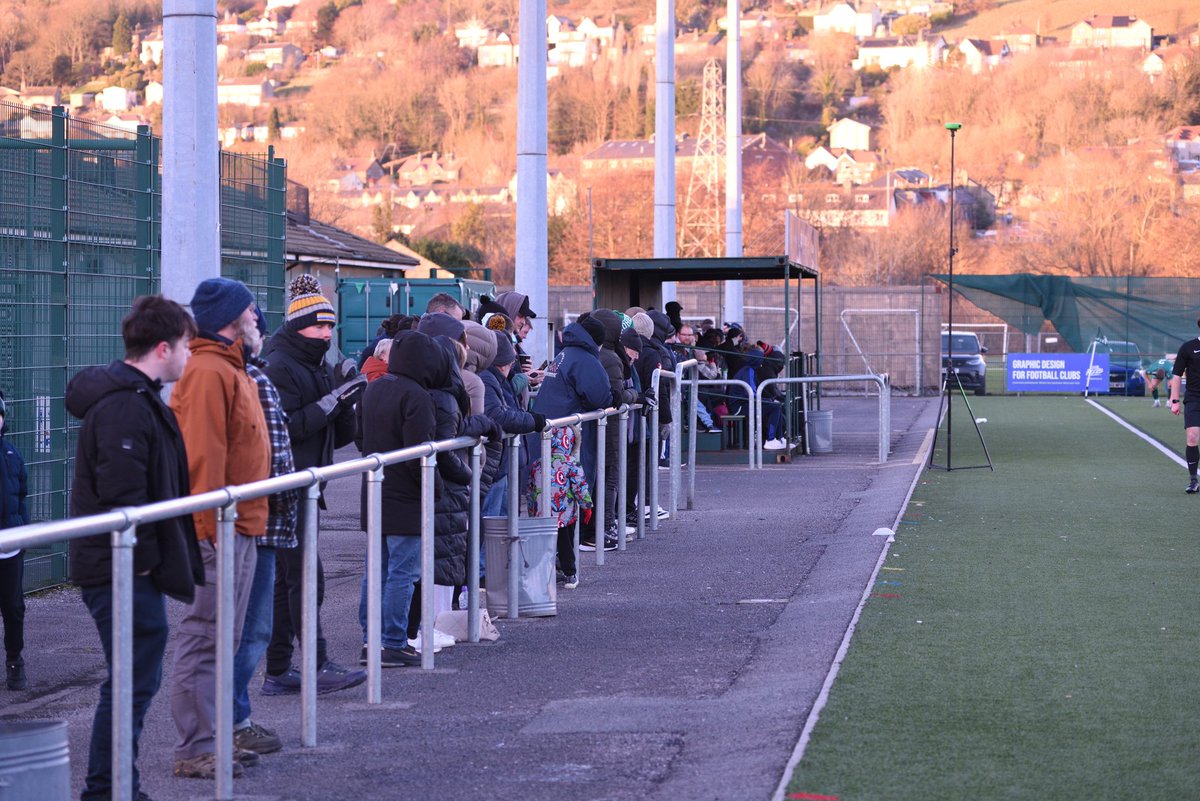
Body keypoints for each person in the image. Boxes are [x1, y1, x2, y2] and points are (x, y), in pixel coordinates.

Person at [67, 295, 204, 798]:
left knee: (133, 681)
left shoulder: (137, 396)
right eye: (187, 346)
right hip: (119, 569)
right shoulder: (127, 404)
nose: (190, 356)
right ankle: (107, 788)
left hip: (126, 567)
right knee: (130, 682)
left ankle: (116, 784)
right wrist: (143, 566)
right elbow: (122, 496)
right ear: (163, 347)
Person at [169, 277, 271, 779]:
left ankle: (214, 737)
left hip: (243, 523)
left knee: (222, 637)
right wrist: (208, 528)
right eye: (250, 311)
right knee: (204, 635)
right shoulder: (211, 371)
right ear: (232, 319)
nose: (257, 319)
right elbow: (203, 456)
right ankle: (195, 746)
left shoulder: (233, 369)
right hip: (221, 529)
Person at [261, 275, 367, 696]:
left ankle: (279, 669)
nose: (327, 333)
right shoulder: (279, 365)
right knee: (306, 577)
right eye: (319, 326)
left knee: (293, 579)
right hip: (284, 486)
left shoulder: (315, 365)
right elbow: (284, 429)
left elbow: (332, 436)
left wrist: (346, 398)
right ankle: (312, 664)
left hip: (308, 485)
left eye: (330, 327)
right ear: (298, 325)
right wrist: (331, 402)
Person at [231, 307, 300, 758]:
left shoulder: (255, 376)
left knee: (255, 629)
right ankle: (231, 722)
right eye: (252, 322)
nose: (260, 329)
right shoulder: (239, 379)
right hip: (248, 520)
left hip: (269, 518)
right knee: (239, 630)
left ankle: (237, 718)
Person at [356, 329, 441, 667]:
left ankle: (370, 640)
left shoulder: (374, 389)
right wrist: (432, 491)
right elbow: (419, 451)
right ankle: (393, 640)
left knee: (374, 570)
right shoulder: (417, 396)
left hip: (375, 489)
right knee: (402, 572)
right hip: (406, 495)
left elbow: (360, 437)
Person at [528, 426, 593, 589]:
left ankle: (543, 574)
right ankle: (570, 573)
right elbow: (580, 487)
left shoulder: (538, 463)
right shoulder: (571, 463)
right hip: (565, 514)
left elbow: (530, 491)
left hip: (542, 513)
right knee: (566, 543)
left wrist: (532, 511)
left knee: (544, 545)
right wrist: (587, 506)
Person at [0, 392, 30, 691]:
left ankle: (14, 661)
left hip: (9, 547)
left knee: (13, 606)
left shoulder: (12, 455)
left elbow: (21, 498)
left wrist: (24, 532)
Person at [1169, 325, 1200, 493]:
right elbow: (1176, 375)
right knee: (1192, 436)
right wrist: (1174, 400)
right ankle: (1193, 480)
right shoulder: (1188, 347)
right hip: (1194, 399)